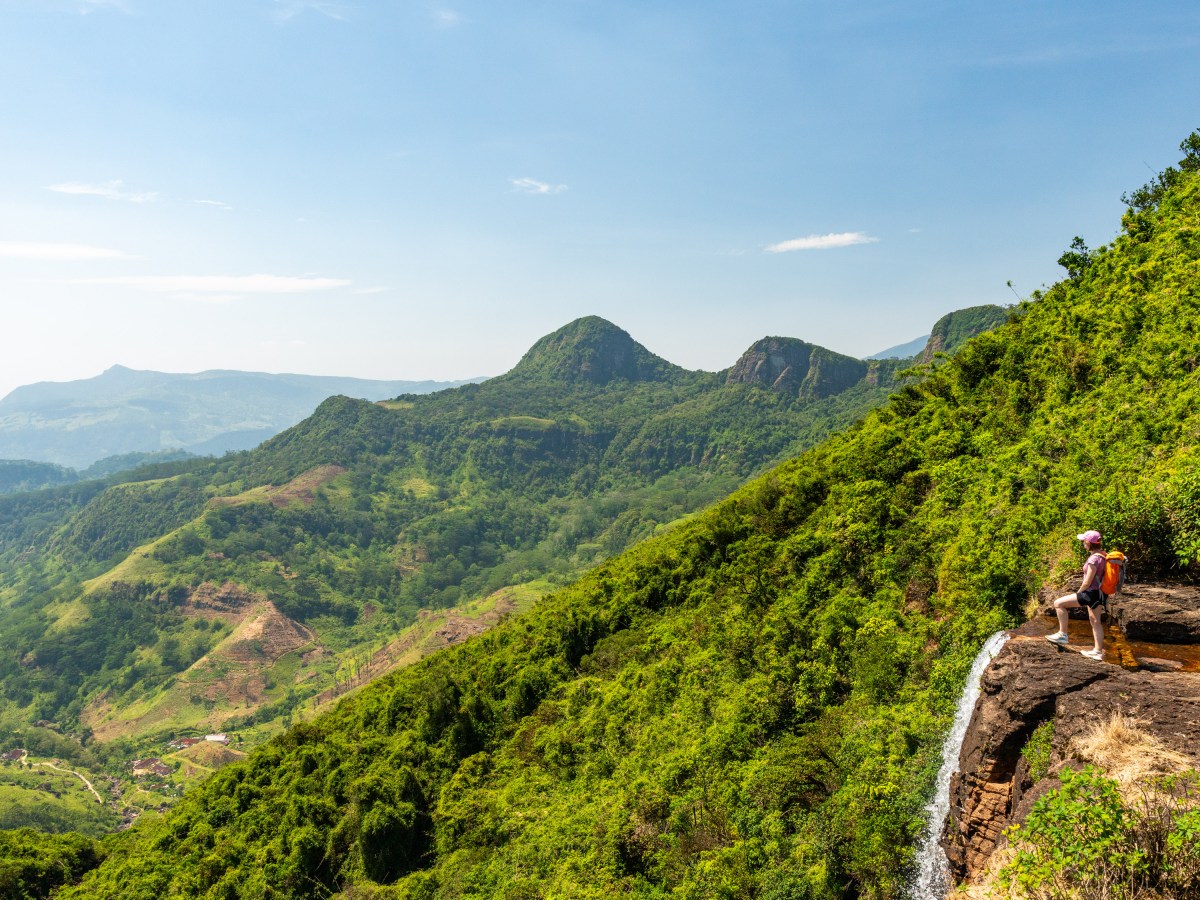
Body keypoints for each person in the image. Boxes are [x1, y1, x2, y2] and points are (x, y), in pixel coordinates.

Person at [1046, 530, 1107, 661]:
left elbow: (1087, 581)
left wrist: (1079, 593)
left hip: (1090, 593)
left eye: (1084, 541)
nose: (1083, 544)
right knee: (1095, 621)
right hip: (1100, 594)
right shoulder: (1103, 555)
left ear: (1088, 543)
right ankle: (1098, 652)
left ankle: (1063, 635)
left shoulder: (1094, 559)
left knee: (1058, 604)